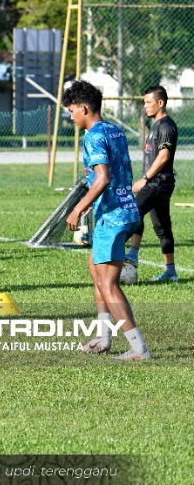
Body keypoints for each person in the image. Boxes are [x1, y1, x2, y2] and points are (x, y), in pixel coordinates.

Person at [62, 80, 150, 360]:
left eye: (72, 111)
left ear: (84, 108)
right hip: (124, 210)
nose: (71, 117)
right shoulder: (115, 130)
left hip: (113, 216)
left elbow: (102, 178)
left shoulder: (93, 136)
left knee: (109, 284)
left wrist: (78, 208)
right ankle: (103, 336)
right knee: (95, 269)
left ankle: (137, 348)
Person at [125, 85, 179, 282]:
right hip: (159, 182)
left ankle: (132, 253)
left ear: (160, 103)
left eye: (148, 102)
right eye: (144, 102)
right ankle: (170, 271)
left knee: (134, 211)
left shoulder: (166, 126)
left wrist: (145, 178)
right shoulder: (155, 125)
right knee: (162, 227)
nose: (145, 106)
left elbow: (164, 156)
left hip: (157, 182)